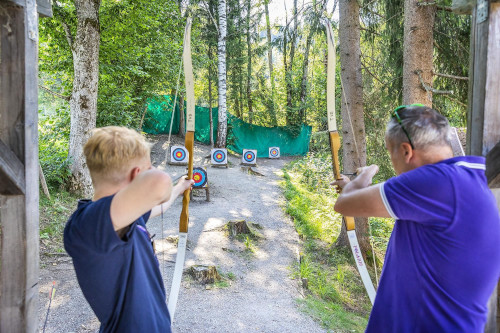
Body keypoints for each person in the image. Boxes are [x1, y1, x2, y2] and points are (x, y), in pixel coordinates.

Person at [332, 105, 500, 332]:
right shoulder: (463, 179)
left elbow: (344, 204)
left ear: (405, 151)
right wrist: (353, 188)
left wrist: (366, 174)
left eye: (390, 154)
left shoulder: (438, 183)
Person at [64, 126, 194, 333]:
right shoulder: (89, 225)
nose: (153, 170)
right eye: (149, 166)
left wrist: (180, 187)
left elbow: (157, 207)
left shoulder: (124, 217)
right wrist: (153, 177)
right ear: (137, 174)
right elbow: (158, 183)